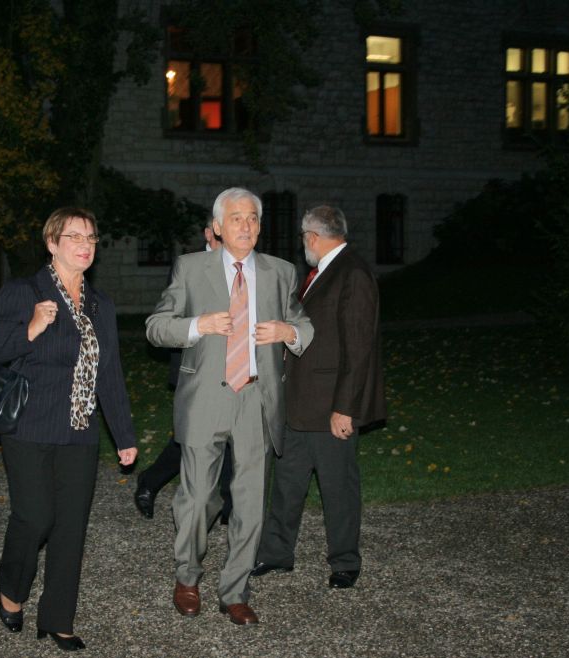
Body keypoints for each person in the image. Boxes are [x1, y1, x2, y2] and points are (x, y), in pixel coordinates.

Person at [146, 187, 313, 626]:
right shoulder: (191, 268)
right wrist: (197, 325)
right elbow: (156, 327)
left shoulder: (280, 272)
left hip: (257, 398)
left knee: (250, 501)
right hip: (205, 398)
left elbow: (303, 324)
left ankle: (235, 591)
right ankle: (187, 576)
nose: (246, 225)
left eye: (253, 218)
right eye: (236, 218)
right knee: (199, 497)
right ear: (218, 227)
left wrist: (288, 333)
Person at [0, 207, 138, 652]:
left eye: (91, 238)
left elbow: (109, 373)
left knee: (70, 526)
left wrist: (124, 435)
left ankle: (58, 619)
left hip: (79, 430)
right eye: (74, 237)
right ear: (52, 243)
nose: (85, 245)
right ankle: (11, 589)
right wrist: (30, 328)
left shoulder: (100, 305)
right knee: (35, 516)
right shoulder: (24, 292)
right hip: (29, 426)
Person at [251, 205, 386, 590]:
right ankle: (277, 553)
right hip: (300, 403)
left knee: (338, 487)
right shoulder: (322, 273)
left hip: (330, 407)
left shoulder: (352, 273)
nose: (303, 245)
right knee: (287, 482)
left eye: (303, 237)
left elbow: (358, 348)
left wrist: (345, 408)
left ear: (312, 236)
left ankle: (345, 561)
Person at [134, 219, 233, 524]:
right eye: (220, 233)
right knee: (188, 439)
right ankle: (150, 481)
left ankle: (227, 504)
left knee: (230, 436)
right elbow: (170, 319)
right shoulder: (188, 266)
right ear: (208, 233)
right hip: (195, 368)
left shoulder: (242, 266)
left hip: (232, 368)